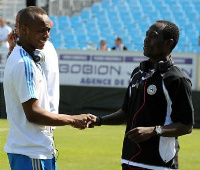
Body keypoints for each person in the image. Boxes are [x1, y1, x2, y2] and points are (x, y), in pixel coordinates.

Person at [90, 20, 194, 170]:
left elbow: (186, 126)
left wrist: (153, 131)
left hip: (159, 165)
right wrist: (99, 120)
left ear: (168, 43)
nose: (146, 39)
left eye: (153, 36)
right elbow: (125, 112)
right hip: (129, 160)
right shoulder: (137, 74)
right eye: (146, 35)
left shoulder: (177, 79)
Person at [3, 6, 96, 170]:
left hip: (32, 150)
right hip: (32, 152)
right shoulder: (24, 64)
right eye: (41, 31)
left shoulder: (26, 57)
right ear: (22, 29)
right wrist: (73, 119)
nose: (46, 35)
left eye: (48, 30)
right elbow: (33, 114)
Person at [7, 8, 59, 119]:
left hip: (41, 115)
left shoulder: (39, 48)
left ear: (24, 28)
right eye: (16, 27)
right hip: (45, 116)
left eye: (18, 27)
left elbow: (19, 64)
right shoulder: (45, 46)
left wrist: (13, 47)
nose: (16, 31)